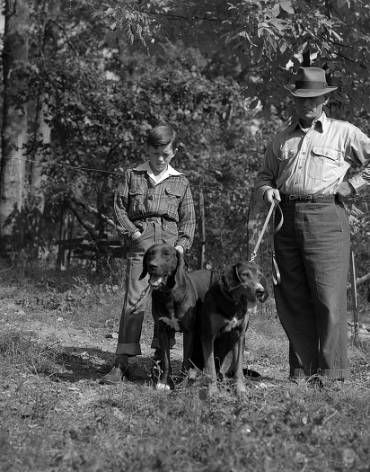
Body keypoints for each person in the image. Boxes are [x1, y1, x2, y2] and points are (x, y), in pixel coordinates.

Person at [255, 66, 370, 384]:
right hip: (286, 219)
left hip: (326, 217)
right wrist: (268, 190)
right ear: (294, 100)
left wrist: (353, 185)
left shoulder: (343, 132)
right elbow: (265, 175)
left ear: (324, 99)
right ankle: (302, 373)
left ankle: (331, 375)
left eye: (315, 98)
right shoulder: (281, 138)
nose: (309, 104)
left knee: (327, 297)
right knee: (292, 296)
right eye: (302, 98)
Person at [102, 124, 196, 384]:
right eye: (155, 153)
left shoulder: (181, 181)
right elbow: (119, 207)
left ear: (173, 151)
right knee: (134, 300)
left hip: (170, 246)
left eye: (165, 153)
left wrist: (180, 247)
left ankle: (159, 360)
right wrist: (133, 233)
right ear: (147, 150)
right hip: (142, 242)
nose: (160, 159)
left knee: (168, 302)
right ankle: (122, 362)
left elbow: (188, 219)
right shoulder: (133, 175)